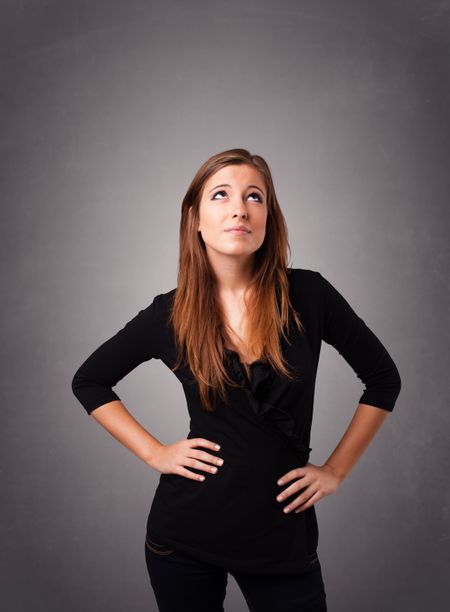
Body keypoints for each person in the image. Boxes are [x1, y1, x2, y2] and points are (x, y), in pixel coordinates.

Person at [71, 148, 402, 612]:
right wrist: (154, 452)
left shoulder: (310, 295)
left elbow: (384, 379)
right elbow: (90, 380)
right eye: (221, 194)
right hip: (184, 536)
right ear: (196, 219)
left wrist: (336, 470)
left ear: (268, 217)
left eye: (255, 197)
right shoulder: (168, 314)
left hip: (281, 537)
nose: (239, 208)